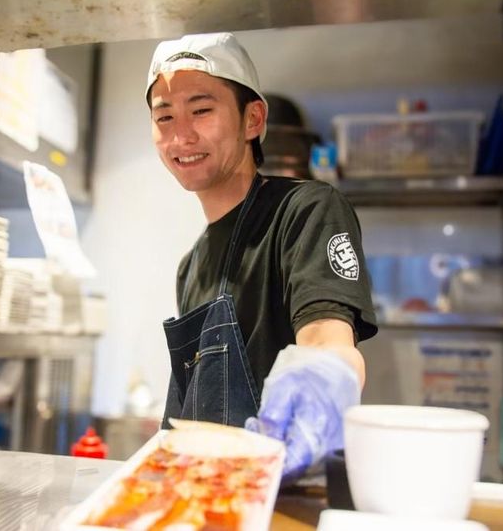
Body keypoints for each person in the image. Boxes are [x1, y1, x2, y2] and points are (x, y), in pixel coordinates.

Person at [145, 32, 378, 483]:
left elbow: (328, 340)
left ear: (252, 119)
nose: (181, 135)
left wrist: (322, 379)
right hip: (209, 493)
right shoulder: (190, 267)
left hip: (287, 489)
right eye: (165, 116)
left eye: (201, 110)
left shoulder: (307, 211)